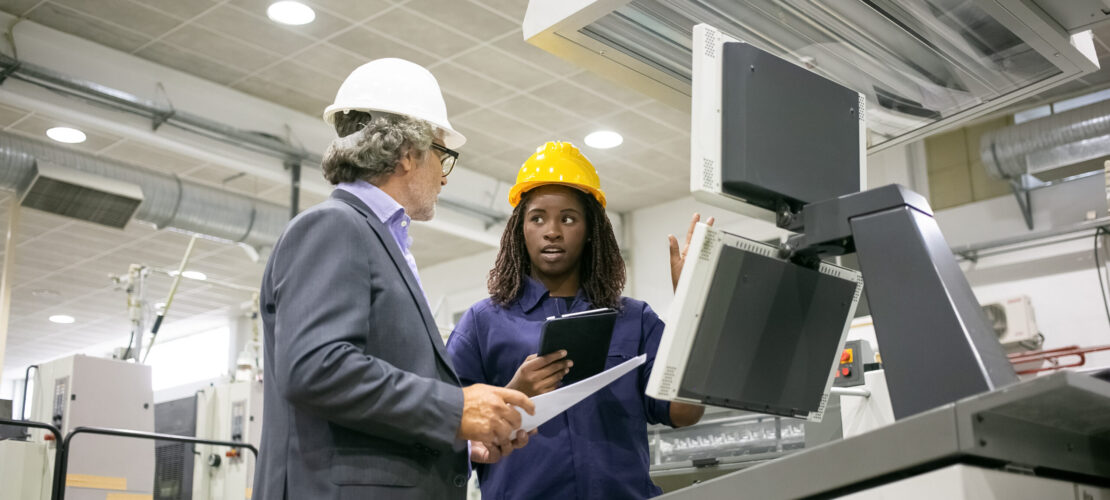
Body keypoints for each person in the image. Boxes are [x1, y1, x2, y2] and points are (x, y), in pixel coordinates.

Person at [252, 58, 534, 500]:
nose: (443, 175)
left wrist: (459, 438)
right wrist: (455, 408)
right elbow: (315, 368)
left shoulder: (376, 240)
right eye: (443, 155)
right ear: (407, 154)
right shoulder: (334, 227)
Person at [445, 141, 708, 499]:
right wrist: (514, 394)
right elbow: (448, 430)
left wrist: (691, 304)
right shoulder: (482, 323)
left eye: (568, 218)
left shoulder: (634, 320)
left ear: (590, 231)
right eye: (537, 218)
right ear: (520, 230)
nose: (552, 230)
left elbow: (684, 413)